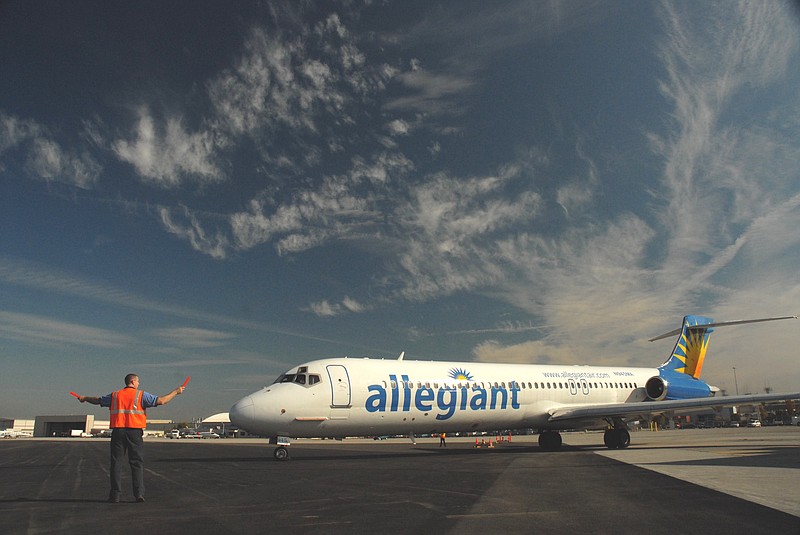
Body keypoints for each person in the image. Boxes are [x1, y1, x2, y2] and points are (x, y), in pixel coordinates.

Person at [74, 374, 185, 503]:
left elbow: (98, 400)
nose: (139, 383)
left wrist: (84, 398)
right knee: (136, 463)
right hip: (134, 432)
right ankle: (138, 494)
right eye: (138, 381)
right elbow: (162, 401)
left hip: (118, 431)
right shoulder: (141, 395)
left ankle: (115, 495)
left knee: (116, 463)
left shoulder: (115, 395)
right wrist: (175, 392)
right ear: (132, 381)